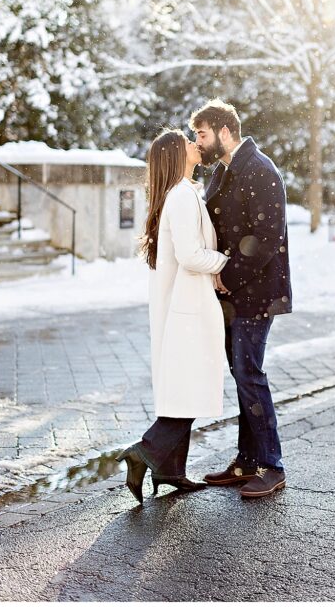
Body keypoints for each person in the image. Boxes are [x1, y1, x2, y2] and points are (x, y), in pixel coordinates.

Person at [117, 129, 229, 504]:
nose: (196, 144)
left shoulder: (181, 192)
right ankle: (145, 451)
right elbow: (190, 255)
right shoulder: (181, 195)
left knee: (186, 389)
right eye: (187, 142)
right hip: (188, 308)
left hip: (186, 306)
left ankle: (169, 470)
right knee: (190, 388)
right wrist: (226, 265)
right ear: (176, 155)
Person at [190, 99, 292, 498]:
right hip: (232, 294)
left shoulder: (260, 170)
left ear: (224, 132)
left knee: (249, 372)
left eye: (201, 134)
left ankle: (272, 464)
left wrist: (228, 276)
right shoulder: (224, 171)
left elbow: (267, 239)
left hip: (257, 293)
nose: (197, 142)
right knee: (240, 373)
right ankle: (247, 462)